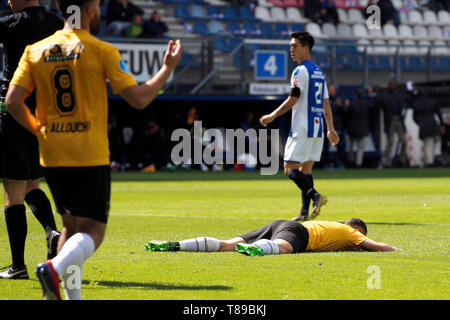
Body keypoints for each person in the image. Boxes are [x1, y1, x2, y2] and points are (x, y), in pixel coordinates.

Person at [6, 0, 181, 299]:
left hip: (53, 153)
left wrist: (39, 130)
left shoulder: (35, 51)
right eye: (97, 6)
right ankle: (55, 267)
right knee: (93, 233)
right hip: (89, 153)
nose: (99, 11)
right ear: (88, 11)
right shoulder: (101, 50)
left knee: (69, 229)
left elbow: (12, 101)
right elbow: (138, 99)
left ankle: (67, 295)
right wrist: (166, 69)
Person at [0, 0, 62, 280]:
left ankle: (17, 266)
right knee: (31, 184)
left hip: (12, 112)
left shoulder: (11, 23)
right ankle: (52, 231)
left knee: (12, 194)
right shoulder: (56, 24)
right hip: (44, 116)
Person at [259, 31, 339, 222]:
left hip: (302, 127)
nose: (291, 50)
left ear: (306, 47)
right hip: (317, 128)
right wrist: (331, 128)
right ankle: (304, 212)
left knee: (288, 168)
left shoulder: (300, 71)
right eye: (290, 46)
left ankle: (315, 196)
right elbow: (326, 103)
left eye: (294, 46)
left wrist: (272, 115)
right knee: (306, 169)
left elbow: (293, 99)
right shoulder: (319, 72)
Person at [145, 218, 401, 256]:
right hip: (299, 232)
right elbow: (375, 246)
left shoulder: (335, 226)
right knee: (285, 247)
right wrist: (395, 250)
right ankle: (259, 250)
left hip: (280, 222)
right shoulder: (352, 233)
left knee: (227, 244)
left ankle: (176, 245)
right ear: (358, 229)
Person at [376, 82, 408, 168]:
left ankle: (401, 160)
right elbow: (378, 101)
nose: (392, 87)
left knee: (404, 141)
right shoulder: (385, 95)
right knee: (390, 142)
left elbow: (407, 99)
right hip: (390, 121)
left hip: (399, 121)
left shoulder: (399, 95)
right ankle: (388, 163)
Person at [412, 90, 445, 167]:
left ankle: (430, 162)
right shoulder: (432, 101)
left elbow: (414, 117)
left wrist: (419, 123)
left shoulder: (416, 104)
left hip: (423, 126)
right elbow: (439, 113)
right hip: (433, 124)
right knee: (438, 139)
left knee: (428, 143)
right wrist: (442, 125)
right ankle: (437, 154)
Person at [345, 88, 373, 168]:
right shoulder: (366, 103)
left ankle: (350, 162)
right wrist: (371, 95)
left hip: (352, 129)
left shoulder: (352, 103)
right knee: (360, 148)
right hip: (362, 130)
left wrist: (347, 105)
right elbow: (372, 104)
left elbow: (347, 113)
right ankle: (358, 164)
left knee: (351, 146)